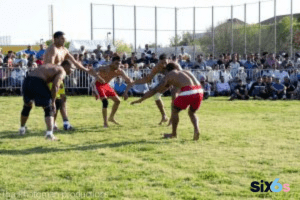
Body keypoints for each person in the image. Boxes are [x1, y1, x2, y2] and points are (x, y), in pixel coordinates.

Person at [44, 31, 105, 130]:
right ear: (55, 39)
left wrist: (86, 70)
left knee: (62, 100)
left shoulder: (64, 50)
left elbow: (75, 63)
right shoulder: (52, 50)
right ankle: (55, 124)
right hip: (51, 79)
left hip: (59, 78)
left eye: (64, 39)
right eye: (62, 39)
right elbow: (49, 66)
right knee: (56, 102)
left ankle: (64, 123)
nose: (64, 40)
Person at [131, 63, 203, 141]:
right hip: (200, 91)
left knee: (174, 110)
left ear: (167, 70)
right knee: (192, 113)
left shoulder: (170, 74)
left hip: (189, 90)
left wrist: (140, 100)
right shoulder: (186, 71)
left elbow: (155, 90)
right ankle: (196, 129)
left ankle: (173, 134)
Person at [19, 61, 75, 141]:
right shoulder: (62, 70)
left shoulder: (52, 67)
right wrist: (53, 102)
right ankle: (49, 134)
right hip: (38, 81)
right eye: (72, 68)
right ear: (66, 66)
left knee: (27, 105)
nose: (72, 71)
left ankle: (22, 129)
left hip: (27, 80)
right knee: (49, 108)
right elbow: (56, 86)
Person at [123, 53, 182, 125]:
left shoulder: (174, 65)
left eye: (165, 63)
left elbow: (182, 75)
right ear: (159, 62)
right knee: (156, 95)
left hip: (177, 80)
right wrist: (134, 82)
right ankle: (164, 116)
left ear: (168, 61)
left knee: (174, 96)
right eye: (162, 63)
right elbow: (147, 79)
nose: (163, 65)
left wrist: (176, 85)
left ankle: (172, 119)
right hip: (167, 80)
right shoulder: (157, 67)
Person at [93, 55, 133, 127]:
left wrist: (126, 92)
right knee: (105, 101)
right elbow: (93, 71)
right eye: (116, 63)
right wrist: (93, 87)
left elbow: (129, 81)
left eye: (119, 64)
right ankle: (105, 123)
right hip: (98, 84)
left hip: (106, 85)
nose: (118, 65)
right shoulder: (105, 68)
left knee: (118, 101)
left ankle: (111, 117)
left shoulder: (119, 71)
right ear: (112, 63)